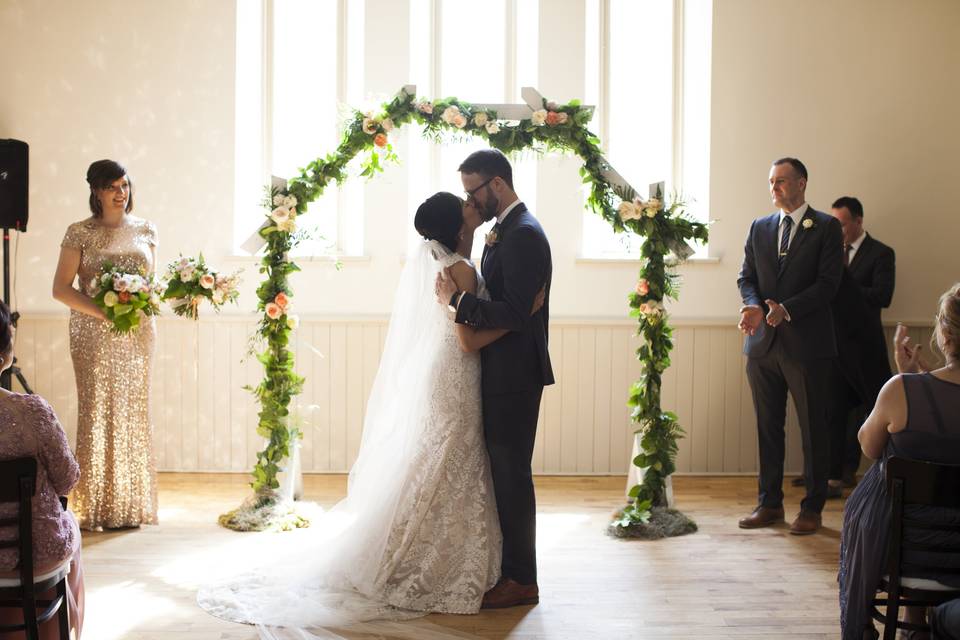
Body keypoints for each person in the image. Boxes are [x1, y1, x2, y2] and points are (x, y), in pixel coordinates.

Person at [198, 193, 543, 636]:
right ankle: (417, 561)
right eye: (465, 206)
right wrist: (521, 318)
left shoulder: (443, 261)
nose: (471, 205)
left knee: (439, 461)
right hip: (457, 371)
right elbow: (467, 342)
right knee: (447, 461)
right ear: (459, 227)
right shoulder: (459, 268)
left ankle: (413, 550)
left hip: (443, 374)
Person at [436, 148, 554, 607]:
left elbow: (515, 314)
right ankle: (512, 570)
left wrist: (457, 304)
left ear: (497, 185)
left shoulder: (524, 234)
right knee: (505, 474)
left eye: (473, 191)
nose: (471, 202)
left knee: (513, 476)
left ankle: (522, 580)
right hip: (501, 368)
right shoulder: (505, 231)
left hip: (516, 373)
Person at [838, 284, 960, 639]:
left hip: (903, 554)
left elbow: (869, 446)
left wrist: (908, 380)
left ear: (944, 334)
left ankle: (880, 625)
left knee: (885, 471)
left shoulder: (901, 390)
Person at [736, 157, 843, 535]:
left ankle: (812, 508)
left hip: (808, 345)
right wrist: (751, 304)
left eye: (781, 181)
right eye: (770, 181)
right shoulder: (760, 227)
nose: (774, 188)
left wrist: (788, 309)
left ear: (802, 183)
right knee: (768, 427)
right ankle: (769, 504)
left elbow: (830, 284)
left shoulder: (826, 228)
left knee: (814, 429)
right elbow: (746, 276)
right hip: (762, 345)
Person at [52, 159, 158, 530]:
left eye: (124, 185)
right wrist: (106, 312)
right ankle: (96, 506)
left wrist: (144, 301)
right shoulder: (79, 232)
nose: (120, 193)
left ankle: (130, 506)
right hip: (93, 334)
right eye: (112, 186)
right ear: (96, 191)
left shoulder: (146, 229)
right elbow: (61, 289)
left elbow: (150, 284)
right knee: (97, 412)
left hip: (138, 332)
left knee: (132, 412)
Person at [0, 301, 85, 639]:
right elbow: (67, 480)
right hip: (32, 556)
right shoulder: (33, 411)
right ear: (5, 352)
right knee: (72, 526)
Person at [830, 196, 896, 486]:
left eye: (842, 224)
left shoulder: (881, 253)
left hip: (866, 346)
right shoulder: (828, 253)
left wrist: (845, 286)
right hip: (833, 345)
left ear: (858, 221)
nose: (838, 230)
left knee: (870, 409)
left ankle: (878, 473)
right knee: (833, 410)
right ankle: (831, 473)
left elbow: (883, 296)